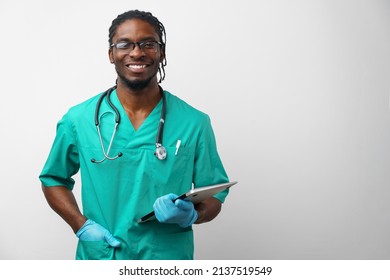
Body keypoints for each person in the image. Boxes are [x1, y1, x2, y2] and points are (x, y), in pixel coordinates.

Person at [39, 9, 229, 260]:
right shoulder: (79, 120)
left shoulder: (194, 122)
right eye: (125, 44)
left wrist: (193, 214)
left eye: (148, 44)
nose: (137, 52)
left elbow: (214, 193)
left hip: (167, 258)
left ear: (161, 53)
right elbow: (53, 178)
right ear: (111, 54)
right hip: (103, 256)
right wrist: (80, 224)